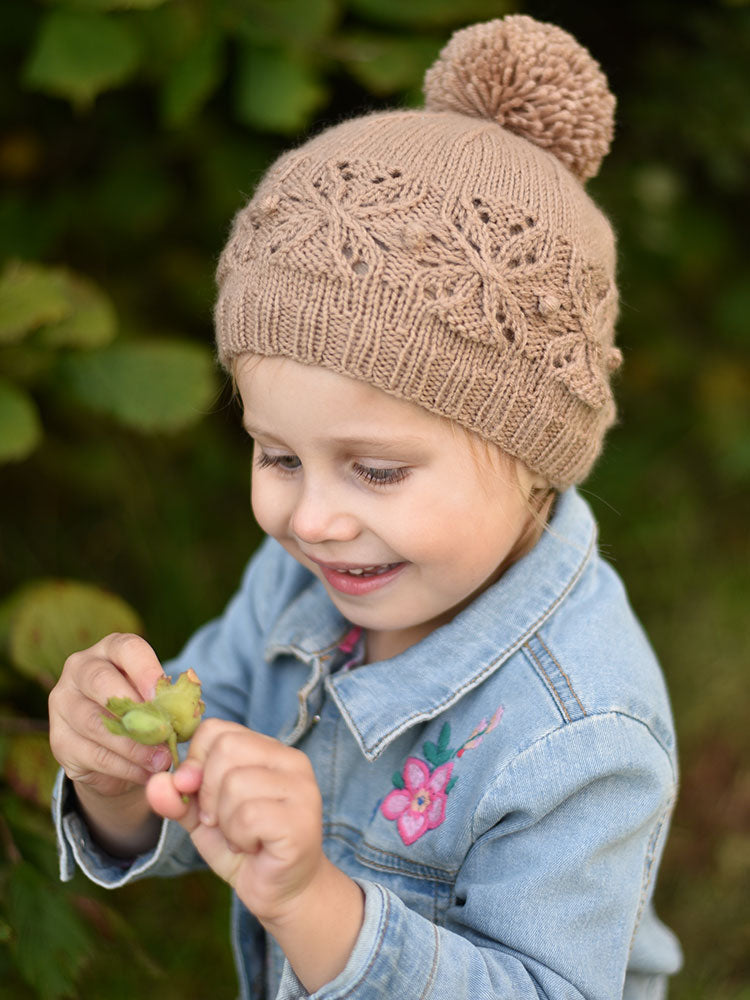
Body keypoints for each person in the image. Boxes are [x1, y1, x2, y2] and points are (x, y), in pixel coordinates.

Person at [48, 15, 683, 999]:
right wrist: (117, 783)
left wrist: (313, 904)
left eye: (375, 471)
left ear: (532, 457)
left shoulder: (581, 730)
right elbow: (199, 793)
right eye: (276, 454)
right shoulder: (303, 583)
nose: (312, 520)